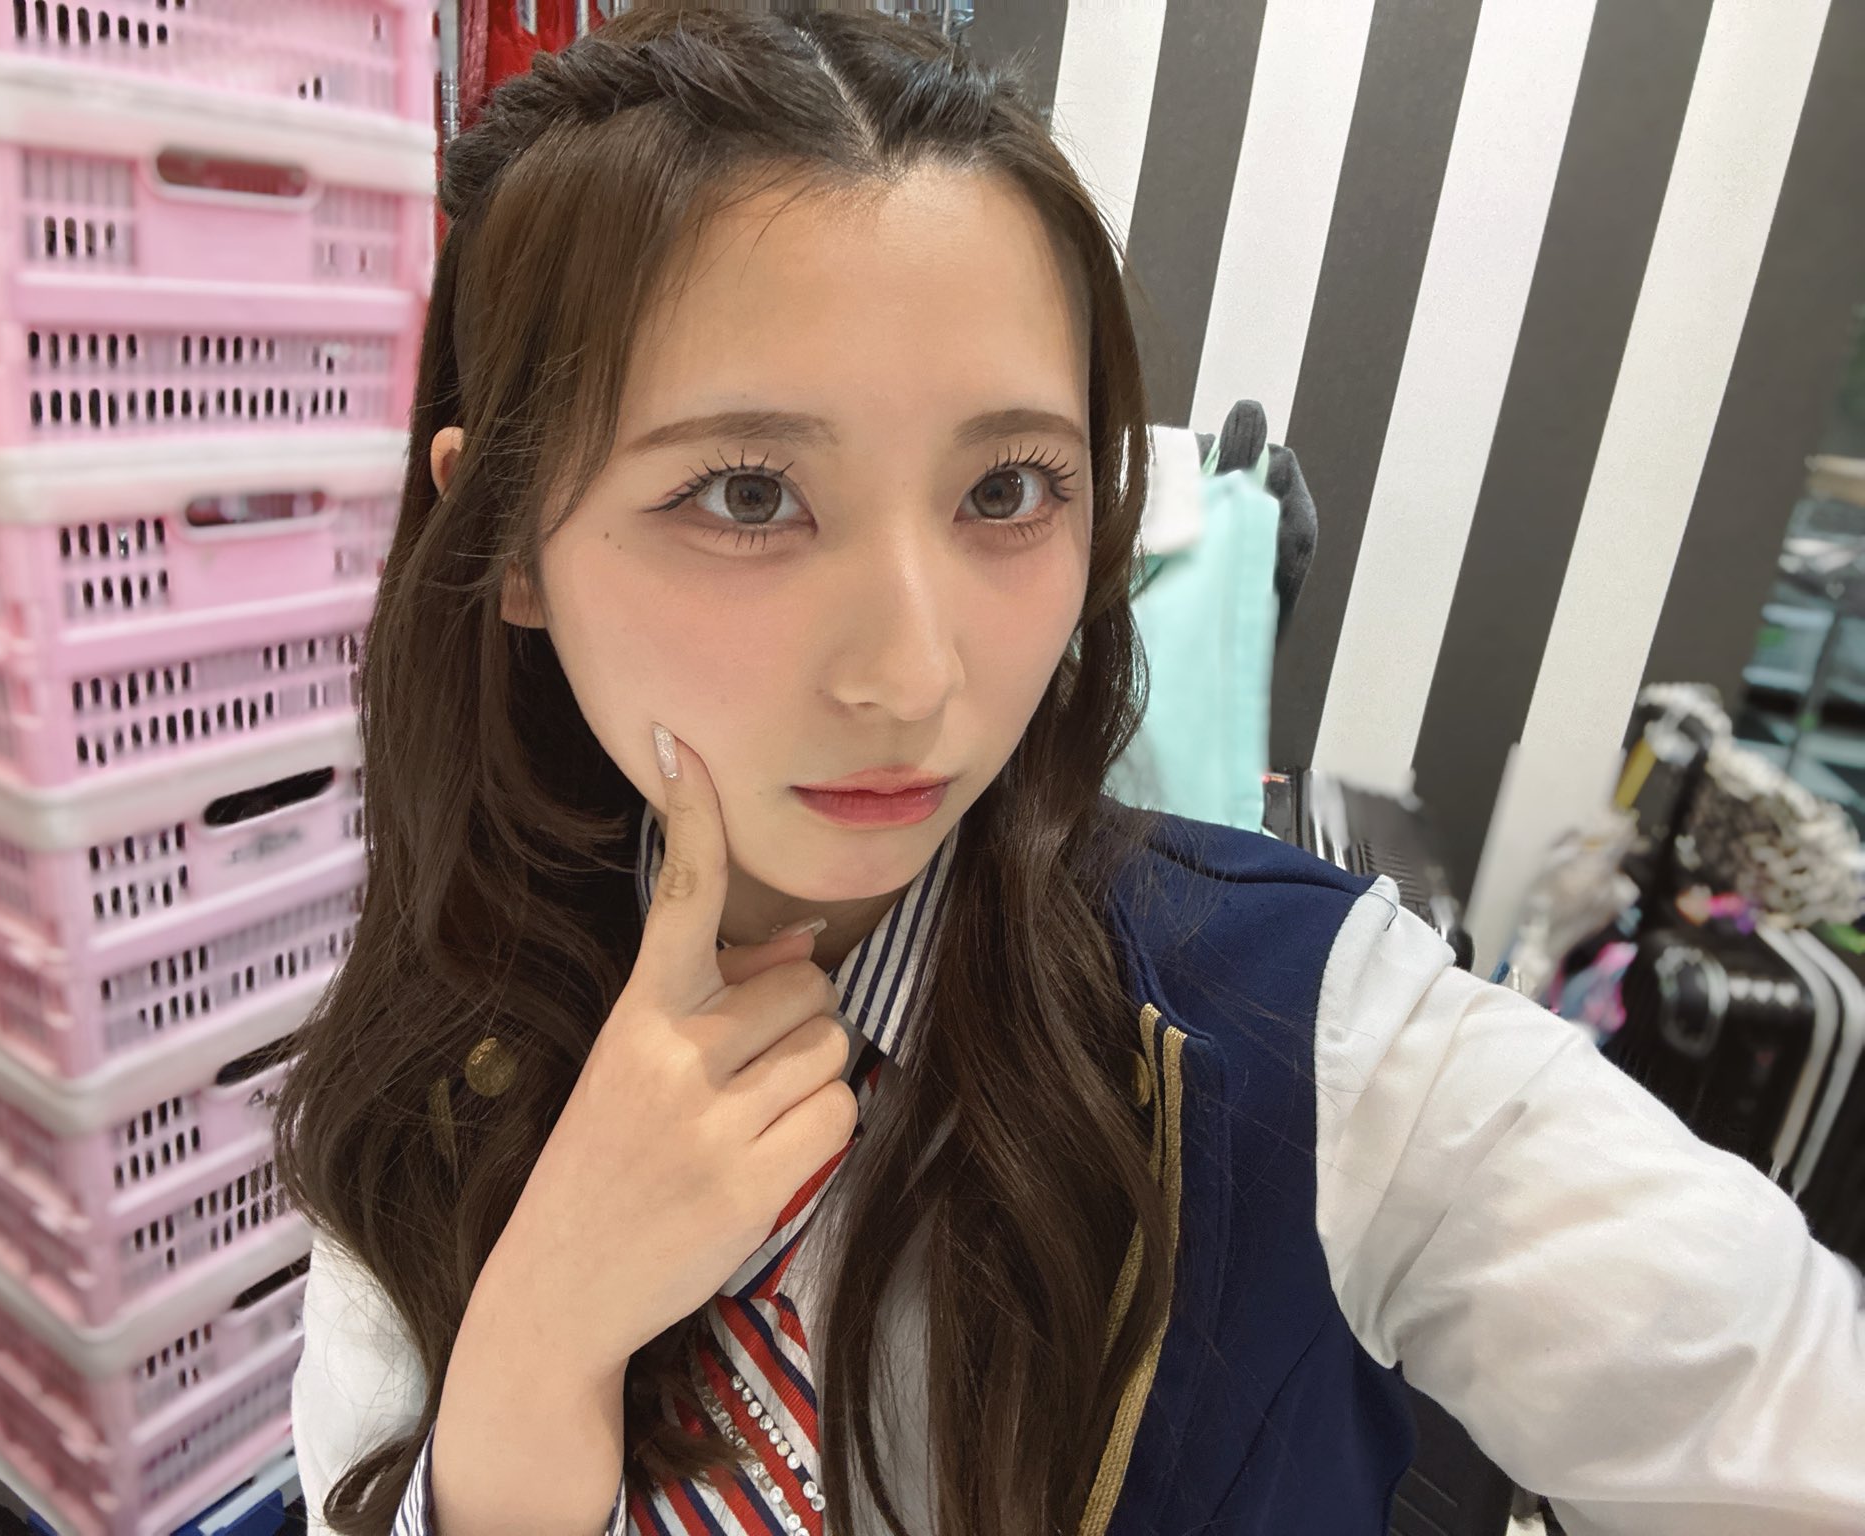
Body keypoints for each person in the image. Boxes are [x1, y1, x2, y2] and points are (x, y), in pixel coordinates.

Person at [272, 8, 1865, 1536]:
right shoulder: (434, 1049)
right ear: (506, 537)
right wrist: (535, 1349)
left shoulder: (1314, 1038)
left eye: (1007, 490)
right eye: (749, 494)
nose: (914, 677)